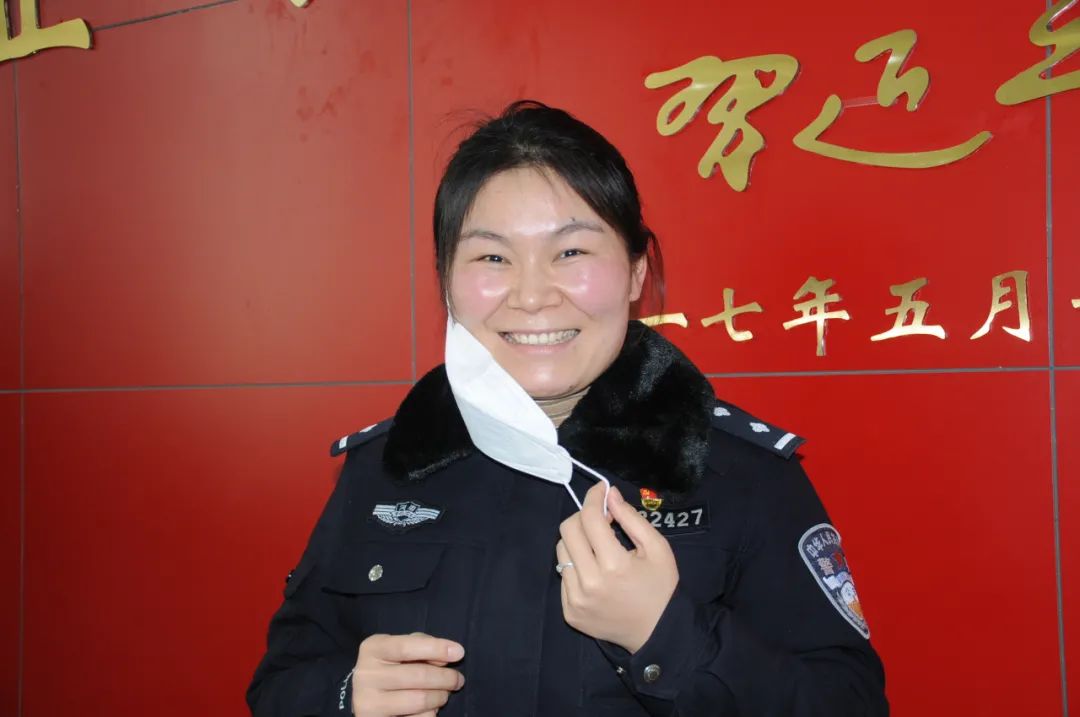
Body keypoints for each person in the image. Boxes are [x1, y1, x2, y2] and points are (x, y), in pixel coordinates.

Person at [247, 101, 889, 717]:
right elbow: (283, 679)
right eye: (492, 257)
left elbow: (849, 703)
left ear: (636, 272)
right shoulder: (388, 467)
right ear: (447, 281)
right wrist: (345, 696)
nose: (531, 295)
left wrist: (666, 636)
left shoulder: (739, 474)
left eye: (571, 252)